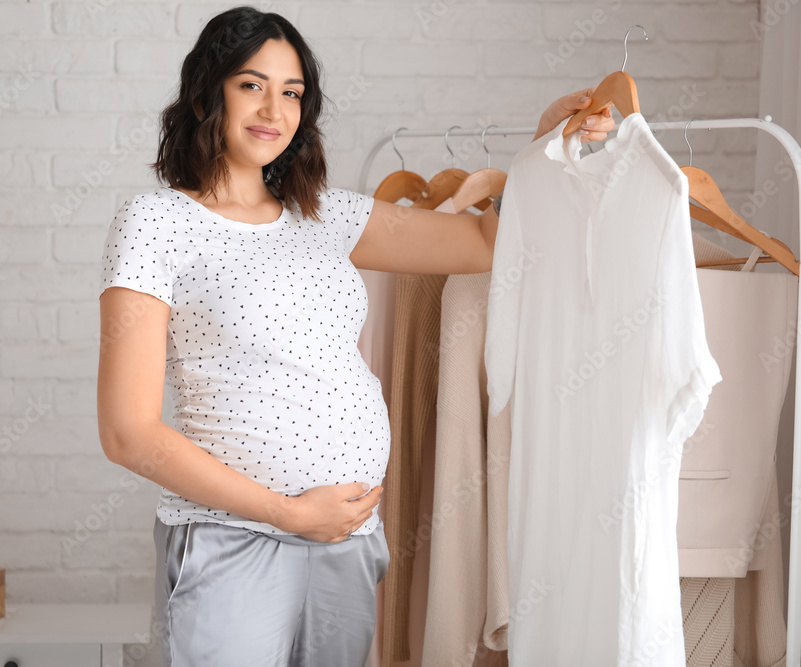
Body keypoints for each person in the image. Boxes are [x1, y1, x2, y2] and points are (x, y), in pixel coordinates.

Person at [96, 5, 614, 666]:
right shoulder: (157, 222)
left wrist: (545, 148)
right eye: (251, 85)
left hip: (347, 538)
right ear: (208, 91)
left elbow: (487, 242)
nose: (274, 109)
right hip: (236, 540)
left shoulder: (327, 215)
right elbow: (127, 432)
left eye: (292, 93)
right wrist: (287, 512)